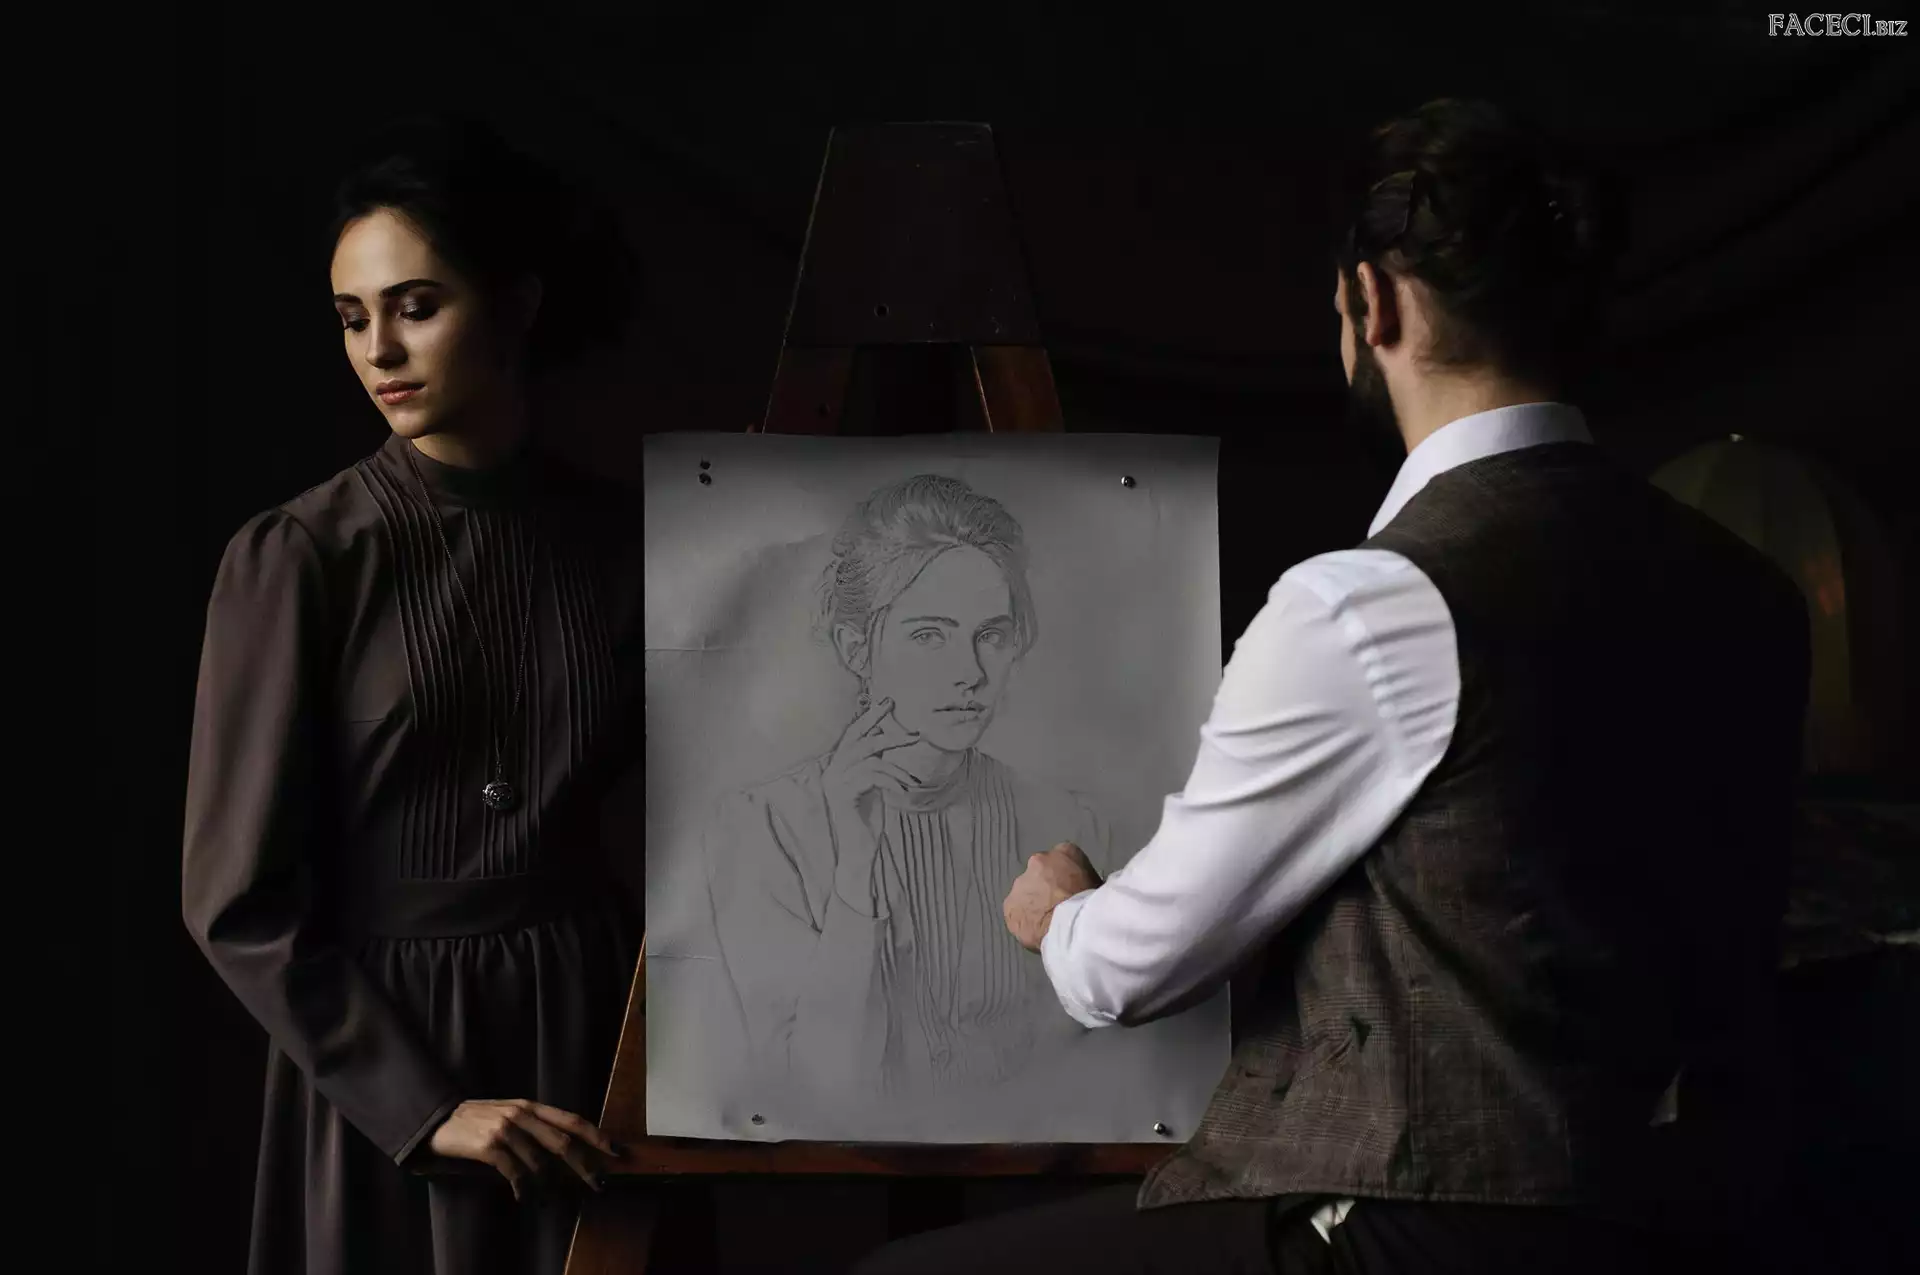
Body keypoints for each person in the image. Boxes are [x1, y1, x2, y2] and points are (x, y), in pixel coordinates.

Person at [853, 98, 1812, 1274]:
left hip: (1426, 1231)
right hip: (1705, 1221)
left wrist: (1059, 915)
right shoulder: (1753, 593)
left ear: (1373, 303)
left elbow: (1130, 968)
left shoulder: (1370, 605)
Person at [182, 114, 644, 1275]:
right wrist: (423, 1110)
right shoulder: (303, 554)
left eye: (416, 306)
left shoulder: (625, 539)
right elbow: (234, 901)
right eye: (352, 318)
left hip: (592, 1029)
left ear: (517, 306)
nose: (378, 349)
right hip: (387, 1057)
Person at [706, 474, 1111, 1131]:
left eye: (991, 635)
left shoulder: (1065, 823)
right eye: (929, 635)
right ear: (856, 648)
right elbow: (814, 1092)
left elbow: (1090, 1075)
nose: (971, 672)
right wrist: (854, 866)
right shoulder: (762, 826)